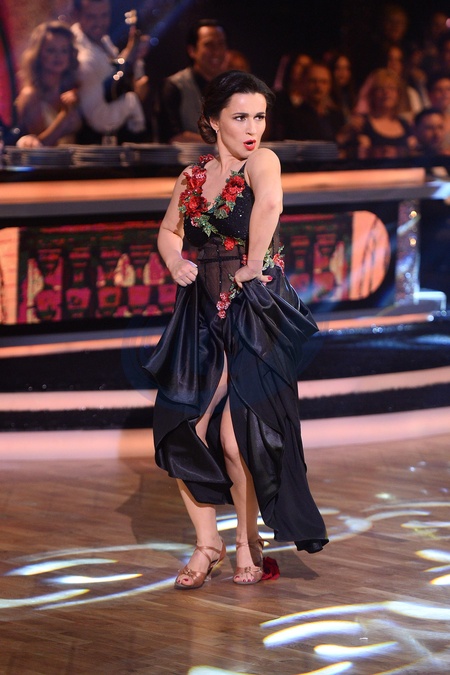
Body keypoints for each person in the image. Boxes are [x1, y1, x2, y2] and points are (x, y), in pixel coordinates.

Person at [144, 70, 328, 590]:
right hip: (201, 310)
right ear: (212, 120)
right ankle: (209, 544)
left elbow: (270, 204)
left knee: (236, 434)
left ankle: (249, 542)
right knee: (181, 422)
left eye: (259, 116)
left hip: (255, 307)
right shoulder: (193, 176)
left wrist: (251, 262)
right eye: (241, 117)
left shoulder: (262, 162)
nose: (253, 128)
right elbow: (169, 230)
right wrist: (174, 260)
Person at [71, 0, 150, 143]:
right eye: (91, 17)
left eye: (104, 15)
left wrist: (132, 49)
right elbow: (100, 120)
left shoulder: (101, 39)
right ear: (77, 14)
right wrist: (135, 99)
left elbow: (112, 70)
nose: (99, 23)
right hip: (91, 143)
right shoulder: (83, 59)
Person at [157, 19, 228, 144]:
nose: (216, 51)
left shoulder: (230, 87)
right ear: (192, 51)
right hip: (186, 157)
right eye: (209, 45)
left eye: (221, 44)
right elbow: (173, 137)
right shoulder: (175, 86)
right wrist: (223, 143)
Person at [15, 20, 81, 147]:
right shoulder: (31, 95)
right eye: (51, 50)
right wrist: (65, 115)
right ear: (38, 54)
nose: (58, 56)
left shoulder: (68, 90)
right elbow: (39, 146)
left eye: (64, 50)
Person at [273, 61, 346, 142]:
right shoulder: (292, 117)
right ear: (303, 83)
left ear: (330, 85)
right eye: (313, 81)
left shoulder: (337, 116)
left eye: (324, 82)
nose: (318, 86)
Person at [427, 71, 450, 152]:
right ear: (429, 94)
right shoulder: (422, 120)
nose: (445, 94)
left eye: (448, 89)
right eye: (439, 90)